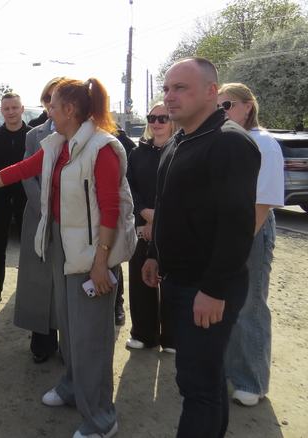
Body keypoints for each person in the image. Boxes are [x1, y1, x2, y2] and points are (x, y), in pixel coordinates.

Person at [0, 77, 137, 438]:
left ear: (70, 110)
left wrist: (101, 263)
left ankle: (102, 419)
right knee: (70, 327)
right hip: (63, 246)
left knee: (91, 337)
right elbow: (18, 171)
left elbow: (111, 211)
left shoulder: (102, 148)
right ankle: (73, 386)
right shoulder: (59, 144)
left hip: (92, 254)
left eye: (53, 106)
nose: (48, 112)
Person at [142, 58, 260, 438]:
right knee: (204, 378)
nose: (169, 96)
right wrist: (155, 254)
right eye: (166, 88)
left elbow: (236, 227)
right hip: (179, 280)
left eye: (180, 88)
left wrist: (213, 290)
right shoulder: (179, 139)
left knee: (197, 385)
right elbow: (166, 204)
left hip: (206, 287)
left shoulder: (229, 142)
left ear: (212, 92)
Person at [218, 83, 284, 407]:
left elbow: (263, 202)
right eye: (218, 107)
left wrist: (241, 244)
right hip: (227, 228)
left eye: (227, 105)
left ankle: (251, 381)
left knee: (251, 303)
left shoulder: (264, 143)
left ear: (248, 106)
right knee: (229, 302)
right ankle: (232, 371)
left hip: (252, 228)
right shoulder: (225, 140)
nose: (222, 112)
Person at [13, 76, 62, 364]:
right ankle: (42, 340)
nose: (52, 105)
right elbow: (26, 173)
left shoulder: (84, 132)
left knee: (67, 279)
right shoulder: (34, 135)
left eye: (59, 99)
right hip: (38, 216)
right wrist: (43, 206)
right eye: (48, 99)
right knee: (39, 279)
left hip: (71, 218)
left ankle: (70, 343)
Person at [125, 102, 175, 353]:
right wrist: (144, 214)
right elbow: (128, 187)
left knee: (172, 283)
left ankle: (172, 338)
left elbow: (183, 192)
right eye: (152, 118)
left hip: (172, 228)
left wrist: (158, 221)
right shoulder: (137, 153)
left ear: (172, 120)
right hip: (141, 226)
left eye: (162, 118)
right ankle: (144, 334)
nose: (156, 123)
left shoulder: (182, 150)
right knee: (141, 279)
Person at [0, 92, 30, 308]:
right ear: (1, 111)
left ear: (22, 109)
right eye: (6, 108)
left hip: (27, 199)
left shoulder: (32, 136)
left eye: (14, 108)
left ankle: (28, 291)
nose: (11, 112)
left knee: (29, 248)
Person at [112, 126, 137, 327]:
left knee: (112, 260)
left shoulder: (115, 135)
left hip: (111, 207)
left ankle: (117, 305)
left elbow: (131, 157)